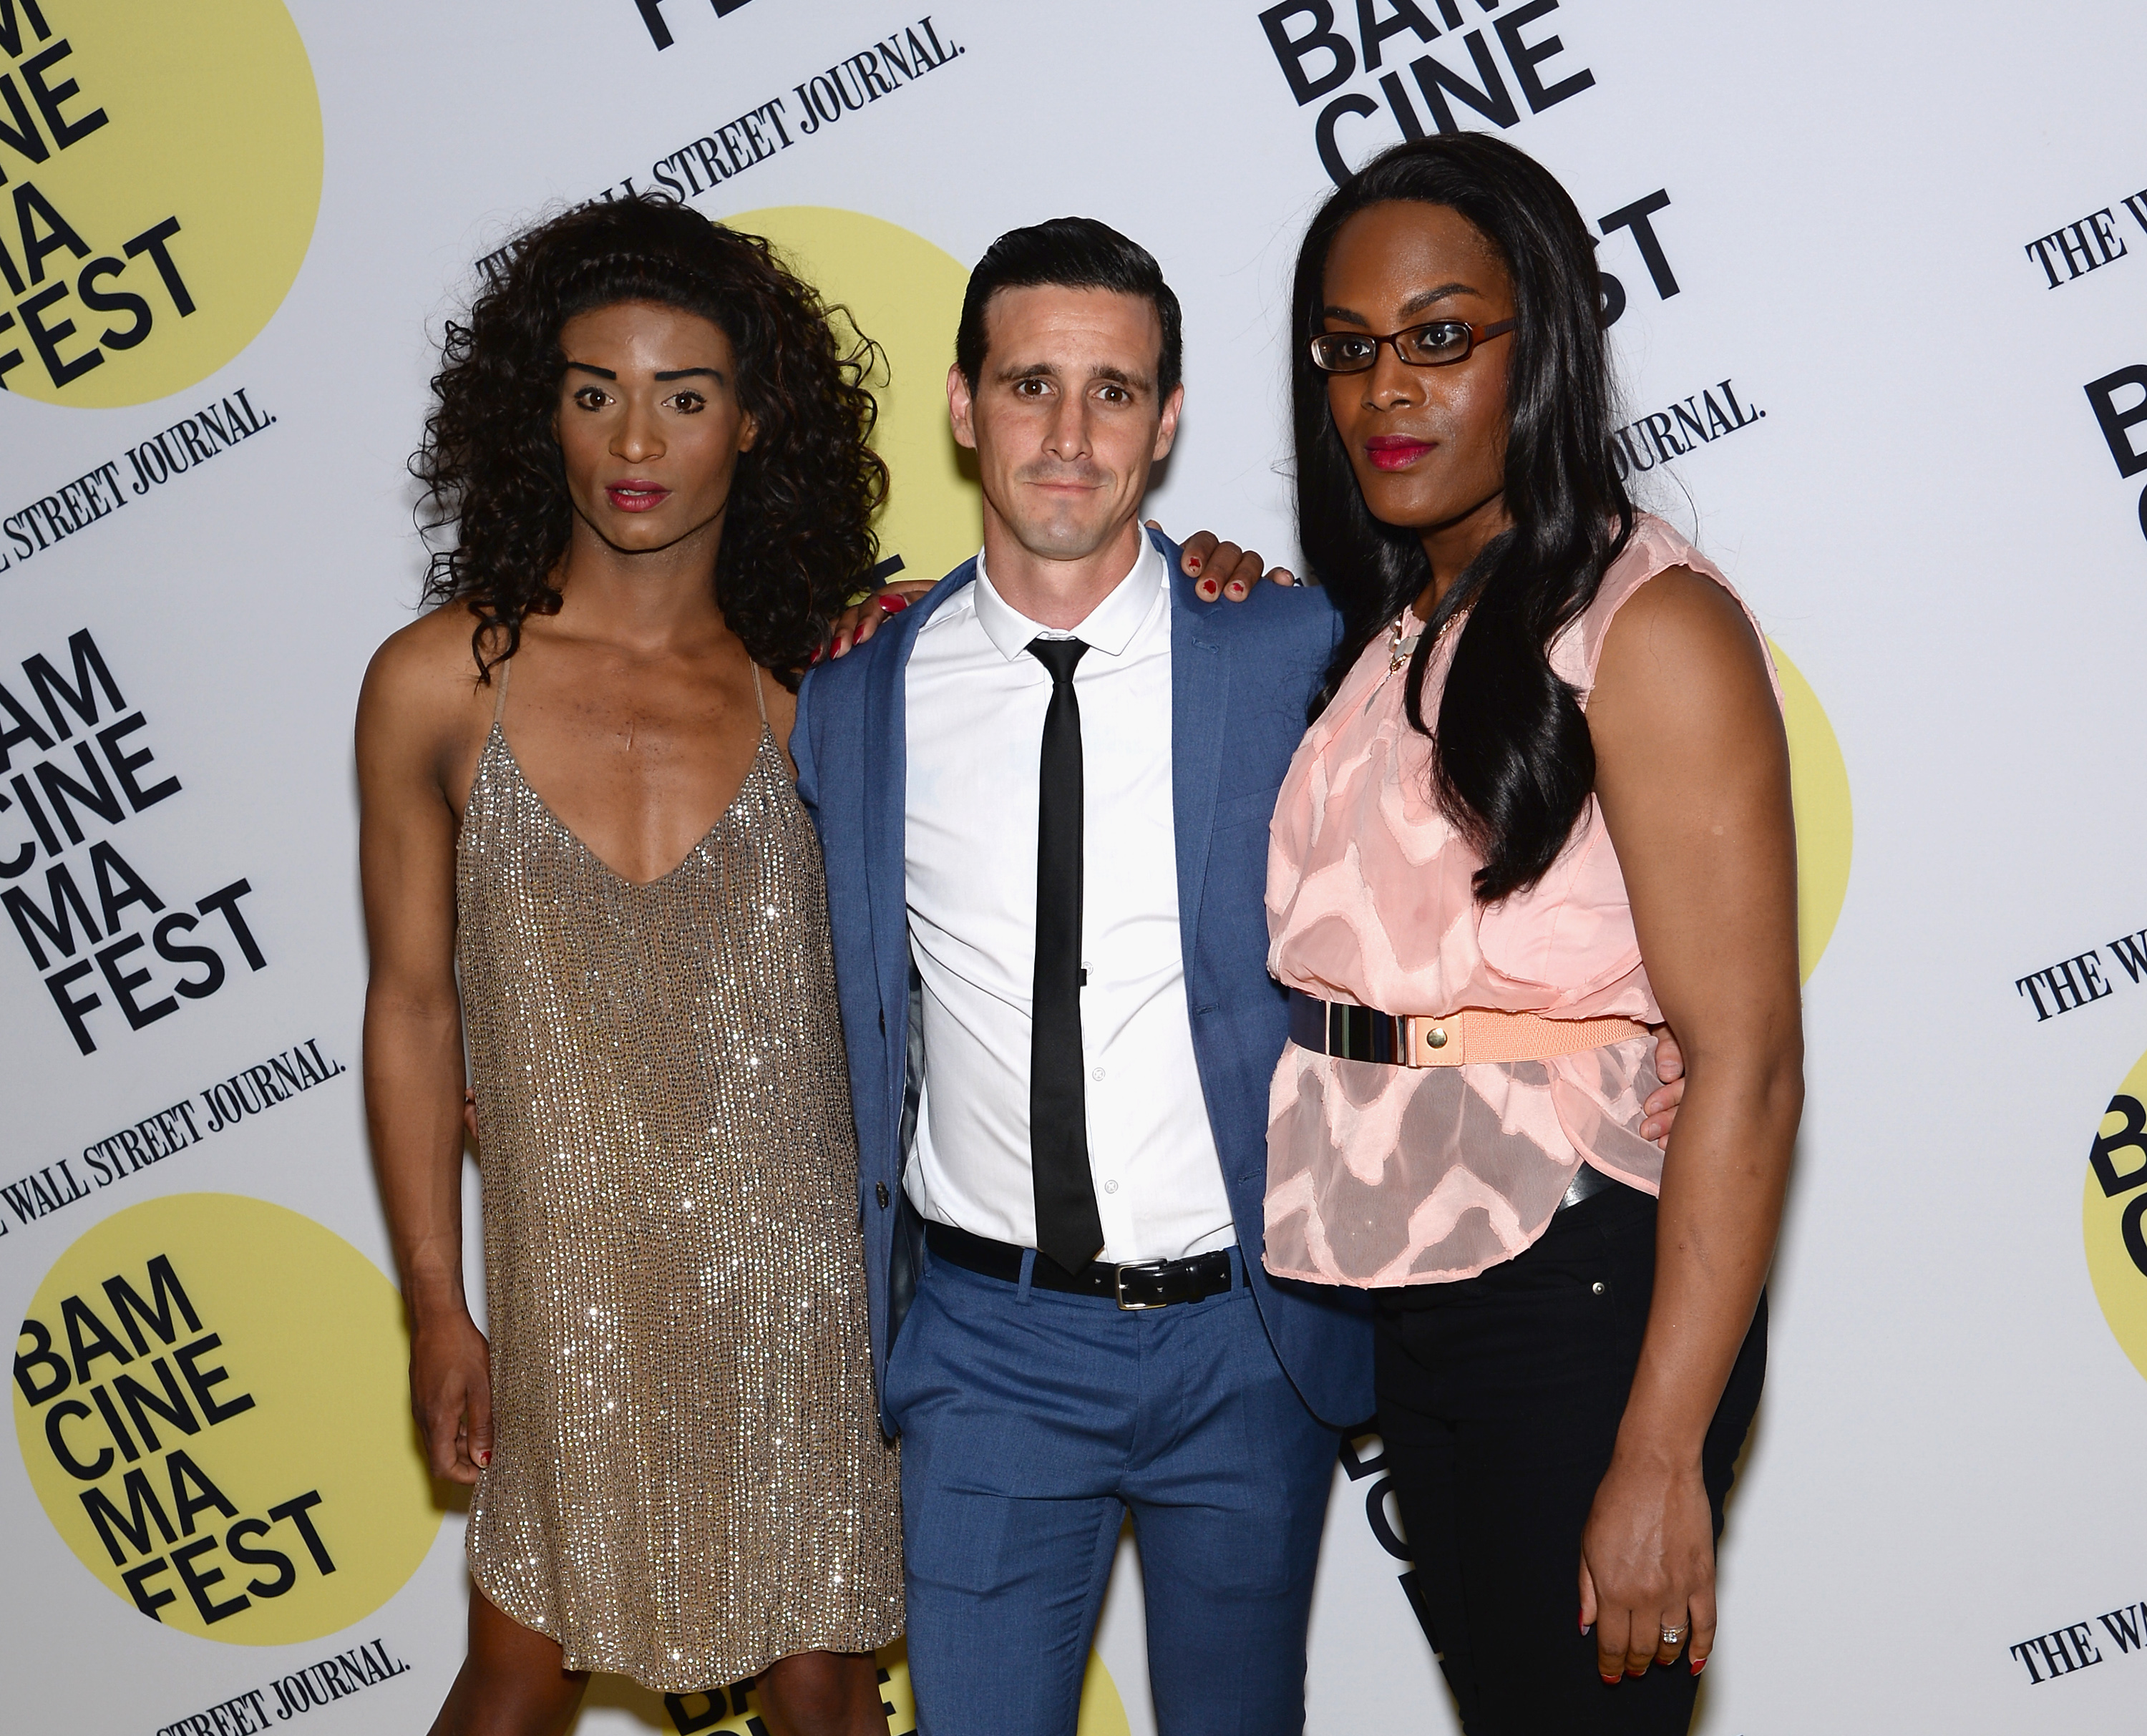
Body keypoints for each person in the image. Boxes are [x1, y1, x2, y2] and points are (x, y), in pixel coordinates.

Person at [792, 216, 1688, 1736]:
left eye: (1115, 392)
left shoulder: (1297, 646)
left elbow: (1475, 878)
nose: (1069, 435)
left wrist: (1636, 1037)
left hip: (1248, 1340)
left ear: (1168, 420)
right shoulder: (854, 695)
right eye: (1029, 385)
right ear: (962, 405)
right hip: (989, 1350)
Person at [1262, 134, 1799, 1733]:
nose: (1386, 388)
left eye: (1440, 337)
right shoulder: (1400, 622)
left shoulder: (1652, 622)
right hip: (1423, 1275)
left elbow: (1751, 1065)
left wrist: (1662, 1454)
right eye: (1348, 349)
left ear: (1542, 343)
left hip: (1582, 1285)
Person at [356, 194, 902, 1736]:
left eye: (685, 394)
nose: (636, 439)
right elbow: (412, 1008)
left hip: (801, 1272)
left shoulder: (827, 685)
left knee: (821, 1684)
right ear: (541, 414)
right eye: (594, 391)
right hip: (567, 1270)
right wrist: (435, 1304)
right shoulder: (436, 684)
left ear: (753, 421)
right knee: (518, 1671)